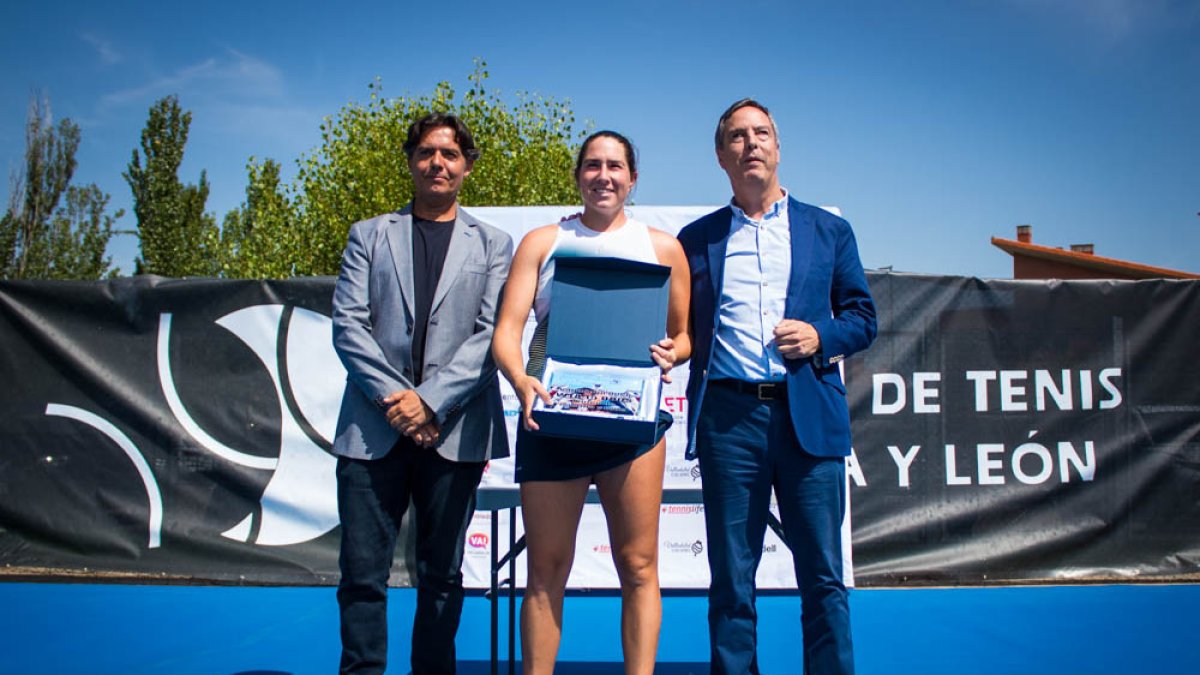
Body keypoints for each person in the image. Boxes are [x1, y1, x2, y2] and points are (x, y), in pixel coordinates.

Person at [677, 99, 877, 674]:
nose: (751, 144)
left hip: (807, 418)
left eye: (761, 133)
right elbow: (682, 327)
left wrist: (819, 335)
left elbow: (863, 318)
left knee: (822, 577)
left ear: (778, 146)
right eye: (737, 137)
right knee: (732, 578)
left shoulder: (829, 230)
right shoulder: (697, 239)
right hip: (729, 423)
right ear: (721, 156)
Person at [491, 130, 691, 675]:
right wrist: (519, 380)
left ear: (632, 178)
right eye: (593, 165)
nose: (604, 176)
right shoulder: (541, 241)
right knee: (546, 570)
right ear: (579, 174)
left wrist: (674, 351)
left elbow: (684, 334)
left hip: (633, 428)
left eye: (616, 167)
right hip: (553, 421)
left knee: (639, 564)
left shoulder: (663, 248)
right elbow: (507, 333)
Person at [331, 112, 513, 675]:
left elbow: (493, 337)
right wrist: (402, 404)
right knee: (362, 576)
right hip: (372, 430)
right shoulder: (369, 235)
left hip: (454, 434)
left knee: (442, 576)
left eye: (451, 154)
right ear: (411, 161)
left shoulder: (495, 245)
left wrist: (430, 402)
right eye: (427, 153)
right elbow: (348, 327)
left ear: (467, 165)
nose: (439, 163)